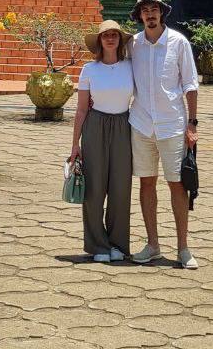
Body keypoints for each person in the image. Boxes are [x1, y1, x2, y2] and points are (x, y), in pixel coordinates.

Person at [128, 0, 199, 269]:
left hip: (172, 124)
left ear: (162, 13)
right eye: (145, 10)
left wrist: (192, 123)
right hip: (141, 123)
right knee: (146, 183)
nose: (150, 14)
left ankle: (183, 248)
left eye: (154, 9)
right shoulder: (133, 45)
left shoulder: (178, 42)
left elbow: (190, 84)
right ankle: (153, 244)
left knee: (177, 184)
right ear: (140, 16)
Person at [68, 21, 134, 263]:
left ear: (120, 40)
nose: (110, 39)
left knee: (120, 187)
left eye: (114, 35)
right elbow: (81, 109)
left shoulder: (130, 66)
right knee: (94, 188)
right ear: (99, 41)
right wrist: (75, 145)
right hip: (95, 125)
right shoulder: (89, 70)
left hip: (124, 125)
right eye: (105, 35)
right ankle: (98, 245)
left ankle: (118, 244)